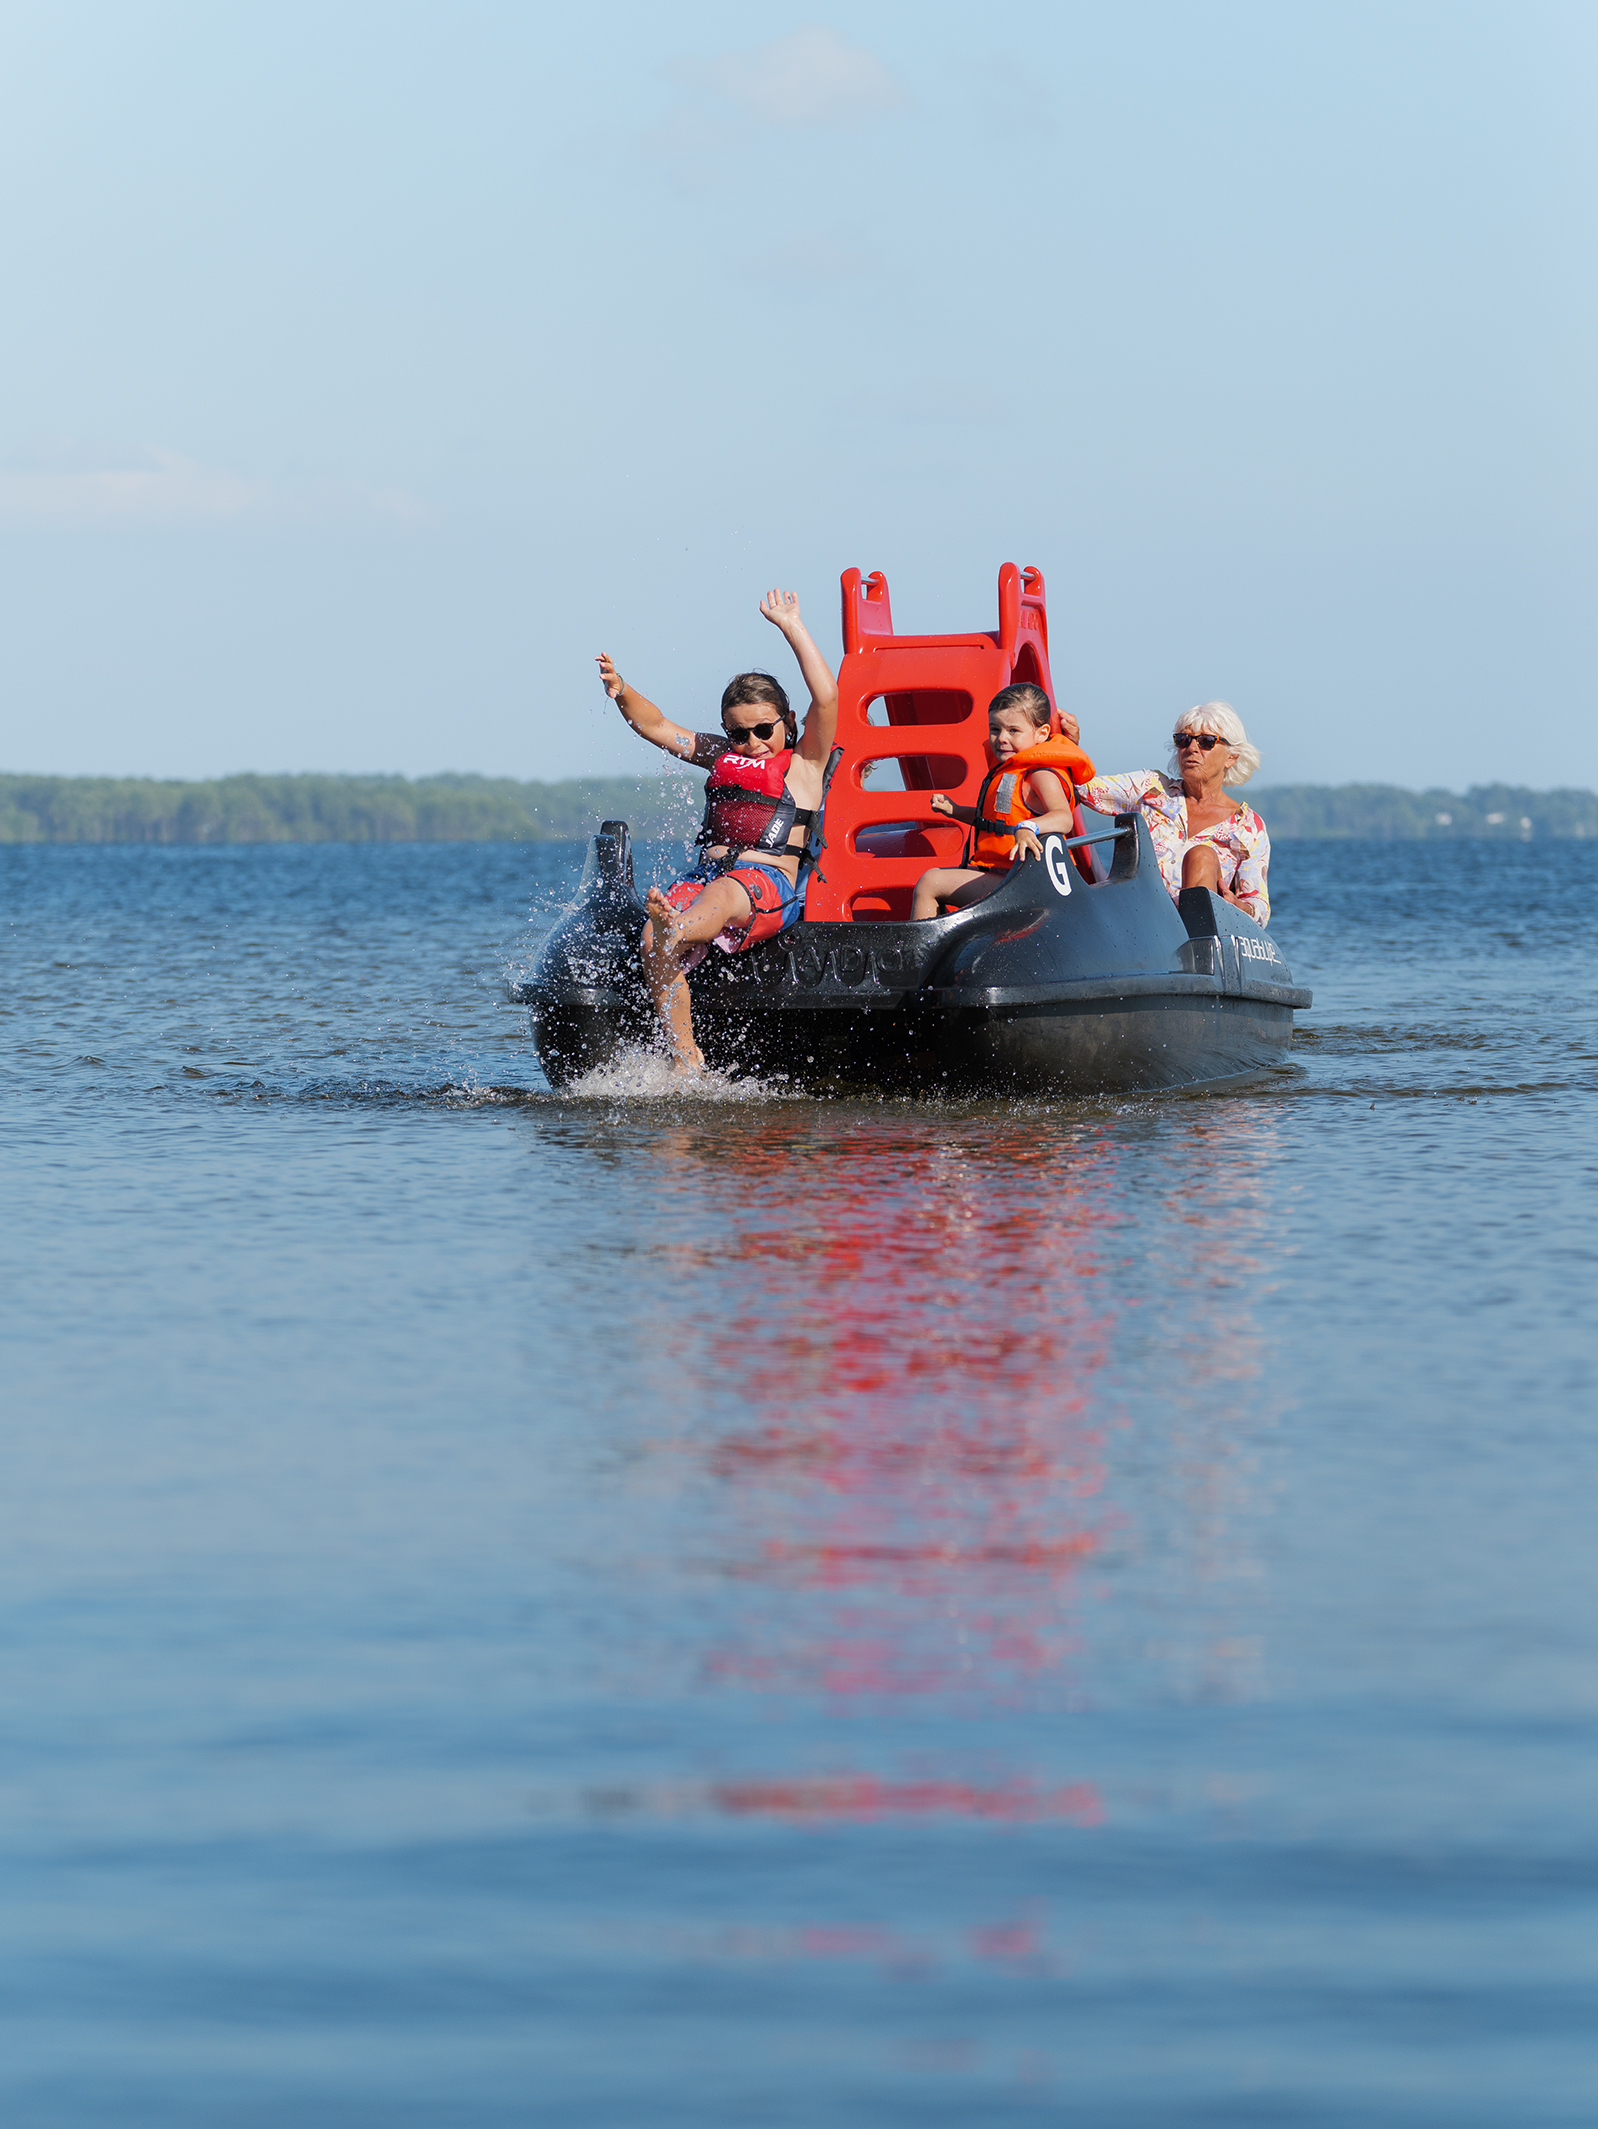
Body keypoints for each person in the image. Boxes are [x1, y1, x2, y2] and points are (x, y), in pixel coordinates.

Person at [595, 588, 838, 1071]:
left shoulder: (806, 764)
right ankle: (686, 1054)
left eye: (763, 730)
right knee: (650, 939)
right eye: (737, 734)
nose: (751, 744)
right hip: (705, 878)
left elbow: (826, 696)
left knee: (718, 898)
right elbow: (659, 727)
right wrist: (623, 691)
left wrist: (791, 625)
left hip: (765, 886)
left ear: (787, 723)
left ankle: (679, 927)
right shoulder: (718, 757)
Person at [1071, 699, 1271, 925]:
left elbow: (1259, 909)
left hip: (1199, 936)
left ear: (1231, 757)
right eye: (1183, 740)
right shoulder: (1150, 788)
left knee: (1201, 856)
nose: (1191, 749)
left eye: (1206, 742)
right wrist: (1070, 746)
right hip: (1136, 922)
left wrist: (1238, 906)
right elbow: (1081, 788)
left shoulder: (1248, 826)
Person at [908, 683, 1095, 921]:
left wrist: (1030, 827)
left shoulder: (1040, 773)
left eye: (1013, 730)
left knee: (929, 883)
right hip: (1004, 877)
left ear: (1042, 733)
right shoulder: (1009, 771)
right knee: (939, 882)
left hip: (1028, 885)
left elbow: (1063, 818)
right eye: (995, 729)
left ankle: (920, 956)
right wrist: (954, 810)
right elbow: (994, 821)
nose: (1002, 739)